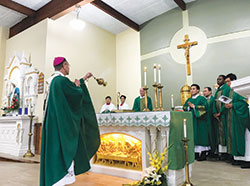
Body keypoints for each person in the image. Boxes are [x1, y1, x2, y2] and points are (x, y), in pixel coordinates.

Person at [40, 57, 100, 186]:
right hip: (60, 125)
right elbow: (75, 94)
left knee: (54, 153)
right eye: (68, 65)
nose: (69, 68)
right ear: (64, 65)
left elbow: (70, 89)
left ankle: (53, 179)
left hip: (52, 123)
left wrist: (83, 79)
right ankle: (58, 179)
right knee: (62, 152)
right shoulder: (61, 80)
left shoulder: (53, 81)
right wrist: (79, 87)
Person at [224, 73, 250, 167]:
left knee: (246, 138)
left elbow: (244, 103)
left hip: (242, 118)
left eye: (228, 81)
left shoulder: (240, 91)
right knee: (236, 137)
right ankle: (239, 158)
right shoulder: (232, 91)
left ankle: (247, 159)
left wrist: (233, 105)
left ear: (234, 80)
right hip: (235, 117)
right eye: (226, 82)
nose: (227, 83)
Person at [183, 84, 210, 161]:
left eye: (193, 89)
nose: (192, 90)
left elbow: (205, 107)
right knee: (194, 136)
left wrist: (194, 107)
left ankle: (204, 153)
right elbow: (184, 107)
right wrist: (188, 107)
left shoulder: (202, 98)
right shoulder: (189, 99)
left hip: (200, 121)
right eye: (191, 89)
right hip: (192, 121)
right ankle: (196, 154)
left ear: (198, 90)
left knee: (201, 136)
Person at [212, 74, 231, 161]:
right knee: (219, 134)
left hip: (224, 115)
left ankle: (227, 153)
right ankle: (221, 153)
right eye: (217, 79)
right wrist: (215, 112)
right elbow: (214, 101)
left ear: (224, 80)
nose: (218, 81)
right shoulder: (218, 90)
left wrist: (221, 112)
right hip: (218, 115)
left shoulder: (226, 88)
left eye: (220, 79)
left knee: (225, 133)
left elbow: (226, 100)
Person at [203, 87, 218, 160]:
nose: (204, 92)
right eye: (203, 91)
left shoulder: (213, 100)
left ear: (210, 92)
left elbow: (214, 109)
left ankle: (213, 152)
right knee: (207, 137)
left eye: (205, 91)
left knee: (212, 136)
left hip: (212, 121)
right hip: (206, 121)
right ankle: (208, 151)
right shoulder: (204, 100)